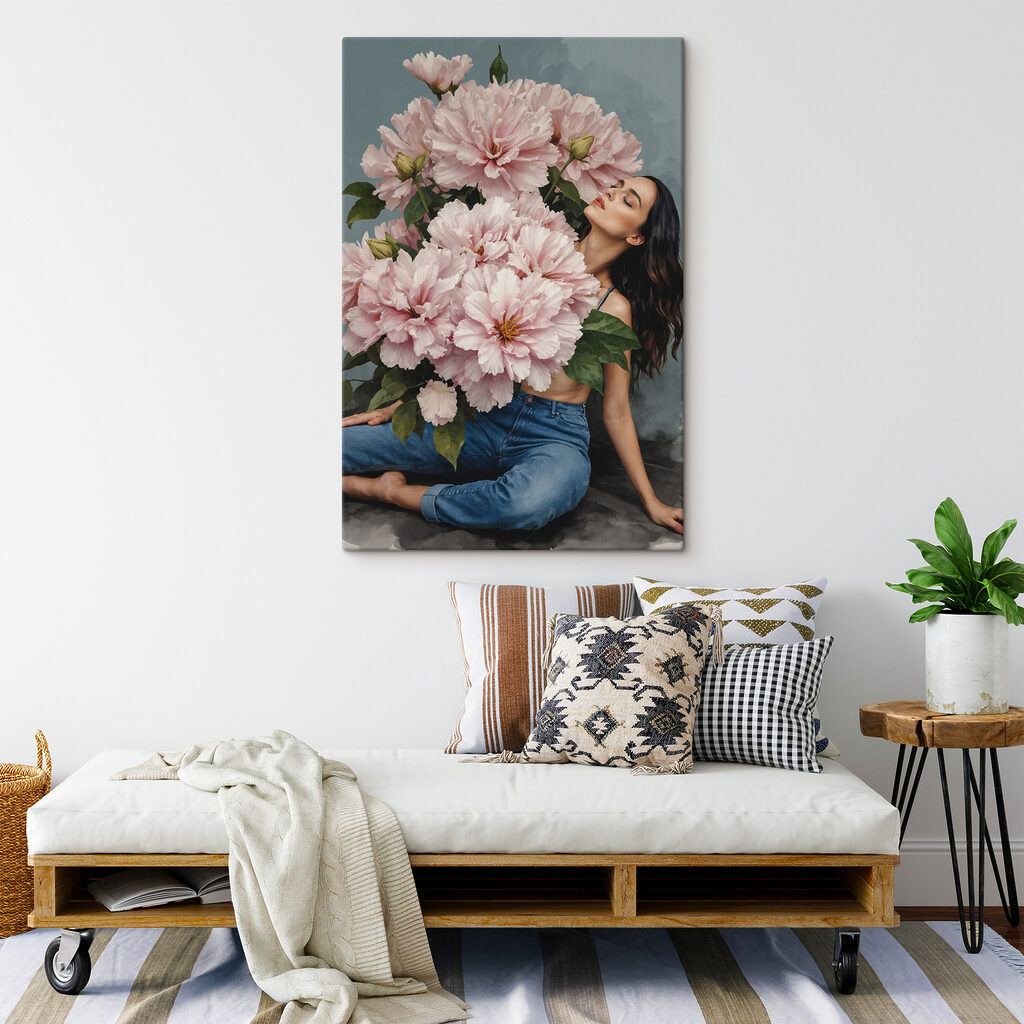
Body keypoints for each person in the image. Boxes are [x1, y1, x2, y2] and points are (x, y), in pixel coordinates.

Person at [342, 174, 684, 535]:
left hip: (554, 437)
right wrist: (408, 404)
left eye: (629, 201)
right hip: (481, 416)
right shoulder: (527, 247)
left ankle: (390, 493)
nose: (611, 192)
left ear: (636, 236)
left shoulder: (614, 309)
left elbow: (615, 410)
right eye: (616, 185)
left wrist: (652, 502)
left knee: (527, 503)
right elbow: (465, 342)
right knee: (337, 447)